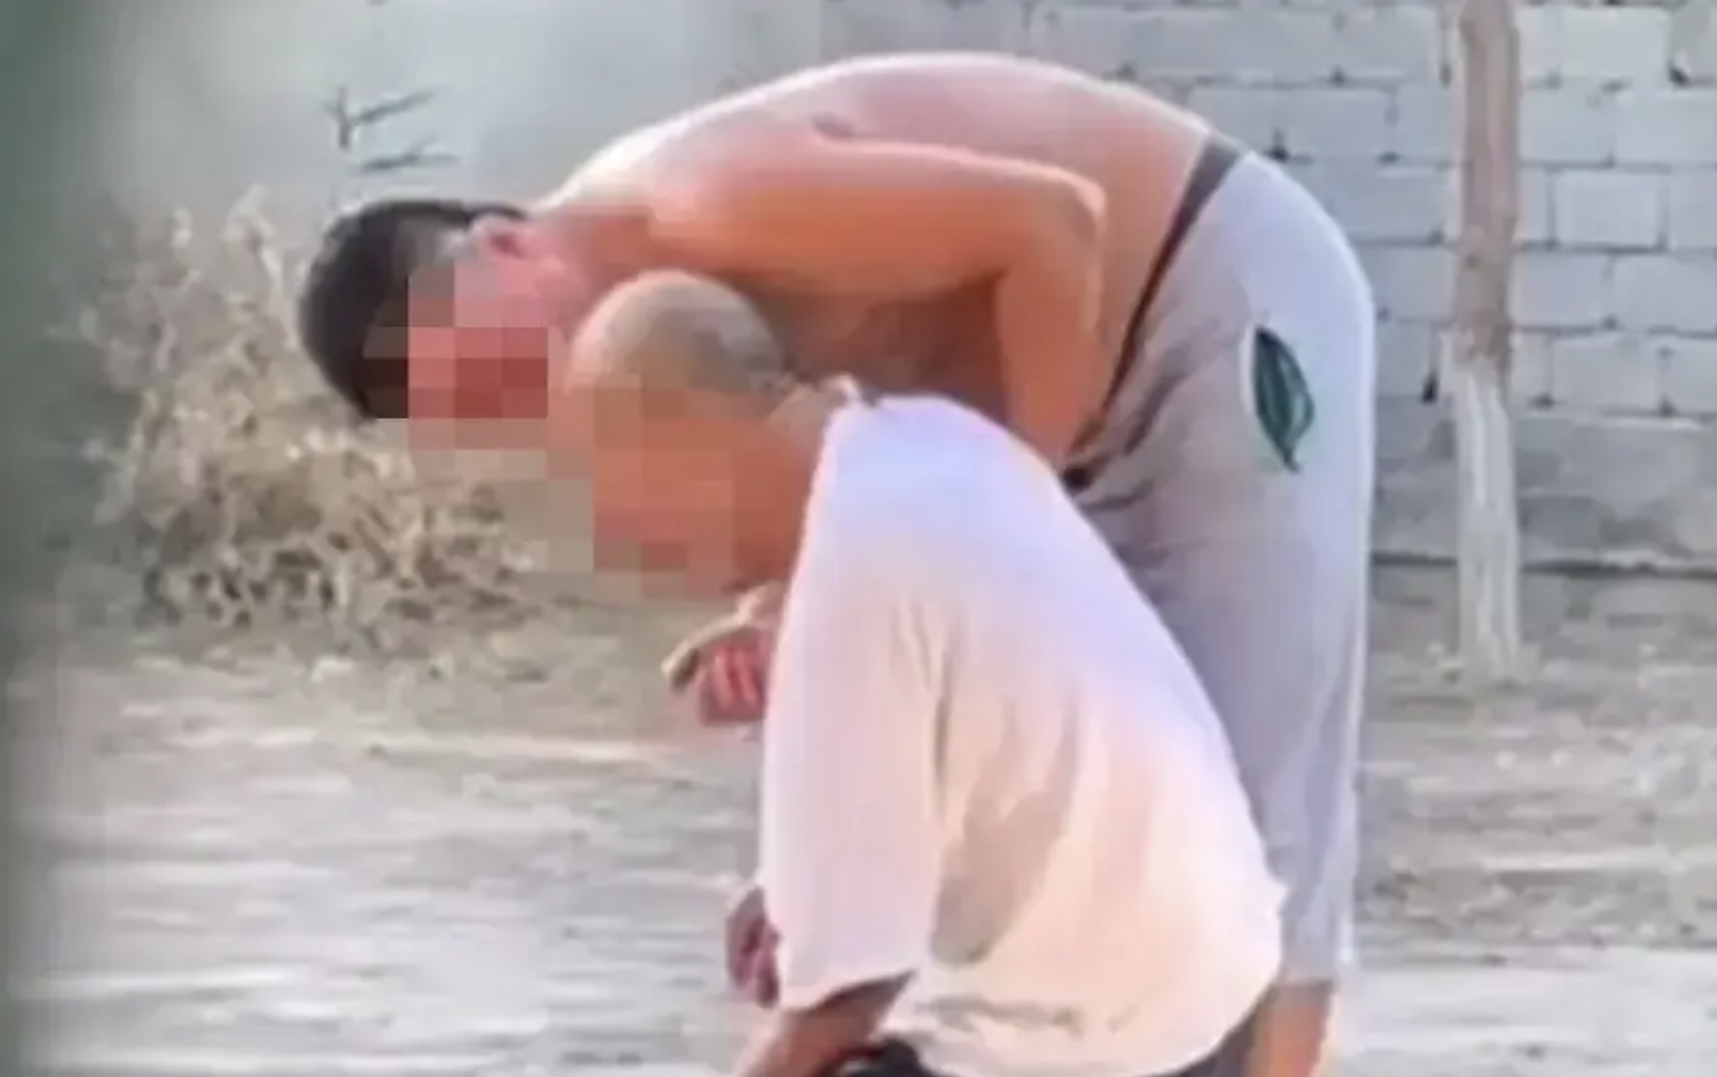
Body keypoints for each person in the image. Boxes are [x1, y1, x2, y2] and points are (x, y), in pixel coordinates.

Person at [294, 52, 1376, 1077]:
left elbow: (1055, 226)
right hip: (1038, 417)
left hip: (1202, 295)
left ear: (505, 246)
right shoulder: (668, 357)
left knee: (1251, 816)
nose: (526, 395)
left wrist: (1013, 523)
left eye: (496, 363)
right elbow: (841, 482)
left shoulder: (706, 202)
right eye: (486, 410)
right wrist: (792, 630)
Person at [556, 270, 1282, 1077]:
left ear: (681, 440)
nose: (614, 529)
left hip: (1119, 1039)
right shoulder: (925, 439)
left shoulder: (850, 573)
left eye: (611, 479)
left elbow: (843, 998)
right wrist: (799, 889)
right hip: (1212, 985)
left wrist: (822, 955)